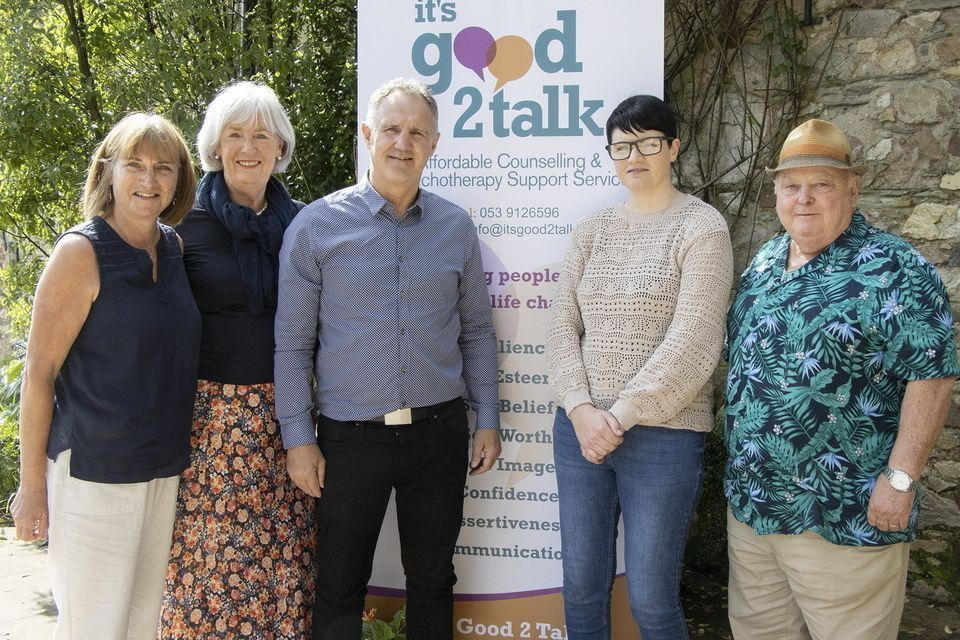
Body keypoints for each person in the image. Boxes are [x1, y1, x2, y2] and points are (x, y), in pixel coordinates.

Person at [274, 77, 501, 640]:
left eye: (417, 132)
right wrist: (299, 439)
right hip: (350, 440)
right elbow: (293, 344)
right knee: (340, 583)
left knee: (432, 579)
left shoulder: (455, 227)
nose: (404, 142)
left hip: (438, 434)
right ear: (368, 135)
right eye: (393, 129)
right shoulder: (316, 227)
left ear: (435, 143)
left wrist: (488, 420)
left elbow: (475, 330)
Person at [723, 118, 960, 640]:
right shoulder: (764, 260)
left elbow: (933, 378)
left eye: (821, 184)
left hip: (844, 517)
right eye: (791, 185)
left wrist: (900, 481)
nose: (803, 198)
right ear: (776, 193)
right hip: (754, 513)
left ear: (852, 189)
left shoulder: (895, 268)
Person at [546, 95, 734, 640]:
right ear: (610, 154)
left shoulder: (701, 227)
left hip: (663, 434)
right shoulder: (592, 229)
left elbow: (695, 340)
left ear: (672, 148)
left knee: (651, 601)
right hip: (578, 431)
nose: (635, 155)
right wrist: (582, 409)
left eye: (649, 142)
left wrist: (621, 415)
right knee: (581, 590)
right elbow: (561, 327)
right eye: (622, 146)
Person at [10, 112, 200, 639]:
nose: (149, 179)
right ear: (108, 170)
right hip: (93, 472)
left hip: (161, 470)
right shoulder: (80, 253)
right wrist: (32, 488)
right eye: (135, 165)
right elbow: (39, 375)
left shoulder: (174, 248)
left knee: (142, 627)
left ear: (179, 179)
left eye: (164, 167)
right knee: (94, 628)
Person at [159, 81, 315, 639]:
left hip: (289, 419)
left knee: (283, 564)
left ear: (280, 148)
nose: (248, 147)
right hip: (210, 426)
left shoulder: (305, 224)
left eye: (261, 135)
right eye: (235, 135)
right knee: (207, 567)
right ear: (216, 146)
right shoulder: (180, 226)